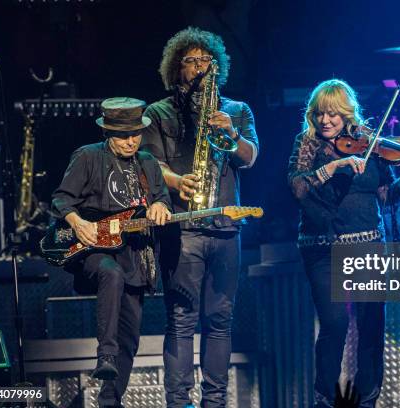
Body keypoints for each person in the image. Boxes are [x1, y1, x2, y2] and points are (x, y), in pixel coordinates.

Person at [287, 79, 400, 408]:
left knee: (371, 326)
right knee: (335, 324)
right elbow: (297, 187)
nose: (325, 121)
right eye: (320, 114)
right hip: (322, 248)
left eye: (333, 115)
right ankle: (324, 398)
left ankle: (368, 400)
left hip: (367, 246)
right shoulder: (307, 144)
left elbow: (389, 195)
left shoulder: (369, 144)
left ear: (346, 114)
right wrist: (333, 166)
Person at [140, 27, 259, 408]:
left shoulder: (237, 110)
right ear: (176, 68)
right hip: (182, 227)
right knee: (180, 320)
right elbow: (148, 165)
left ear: (217, 66)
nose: (199, 67)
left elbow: (251, 157)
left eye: (205, 60)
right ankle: (178, 402)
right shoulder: (158, 113)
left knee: (220, 321)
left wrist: (231, 133)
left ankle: (215, 402)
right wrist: (176, 181)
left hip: (225, 228)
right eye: (191, 61)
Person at [52, 97, 172, 407]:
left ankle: (109, 401)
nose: (131, 141)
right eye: (123, 135)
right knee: (109, 271)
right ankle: (104, 352)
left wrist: (160, 205)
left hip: (134, 255)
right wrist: (77, 222)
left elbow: (162, 200)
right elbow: (62, 198)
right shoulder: (88, 157)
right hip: (92, 249)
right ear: (108, 133)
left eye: (136, 134)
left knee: (130, 339)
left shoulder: (147, 163)